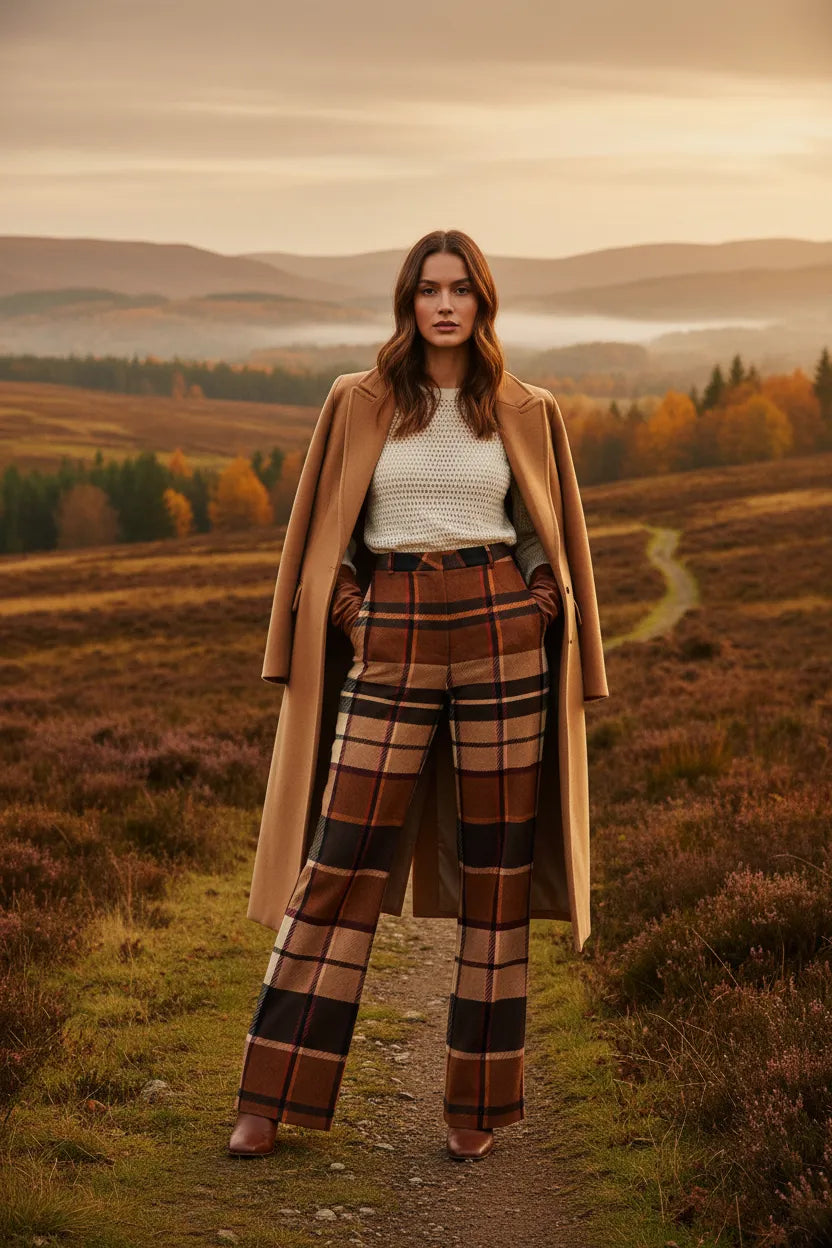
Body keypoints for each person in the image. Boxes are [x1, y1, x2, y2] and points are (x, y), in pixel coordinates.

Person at [228, 228, 607, 1162]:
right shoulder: (358, 402)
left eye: (461, 290)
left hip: (500, 632)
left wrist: (541, 602)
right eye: (428, 289)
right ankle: (269, 1097)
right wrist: (355, 615)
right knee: (339, 860)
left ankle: (477, 1106)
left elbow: (537, 526)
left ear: (483, 303)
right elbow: (332, 526)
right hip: (391, 630)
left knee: (498, 868)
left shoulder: (524, 407)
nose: (444, 305)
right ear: (407, 302)